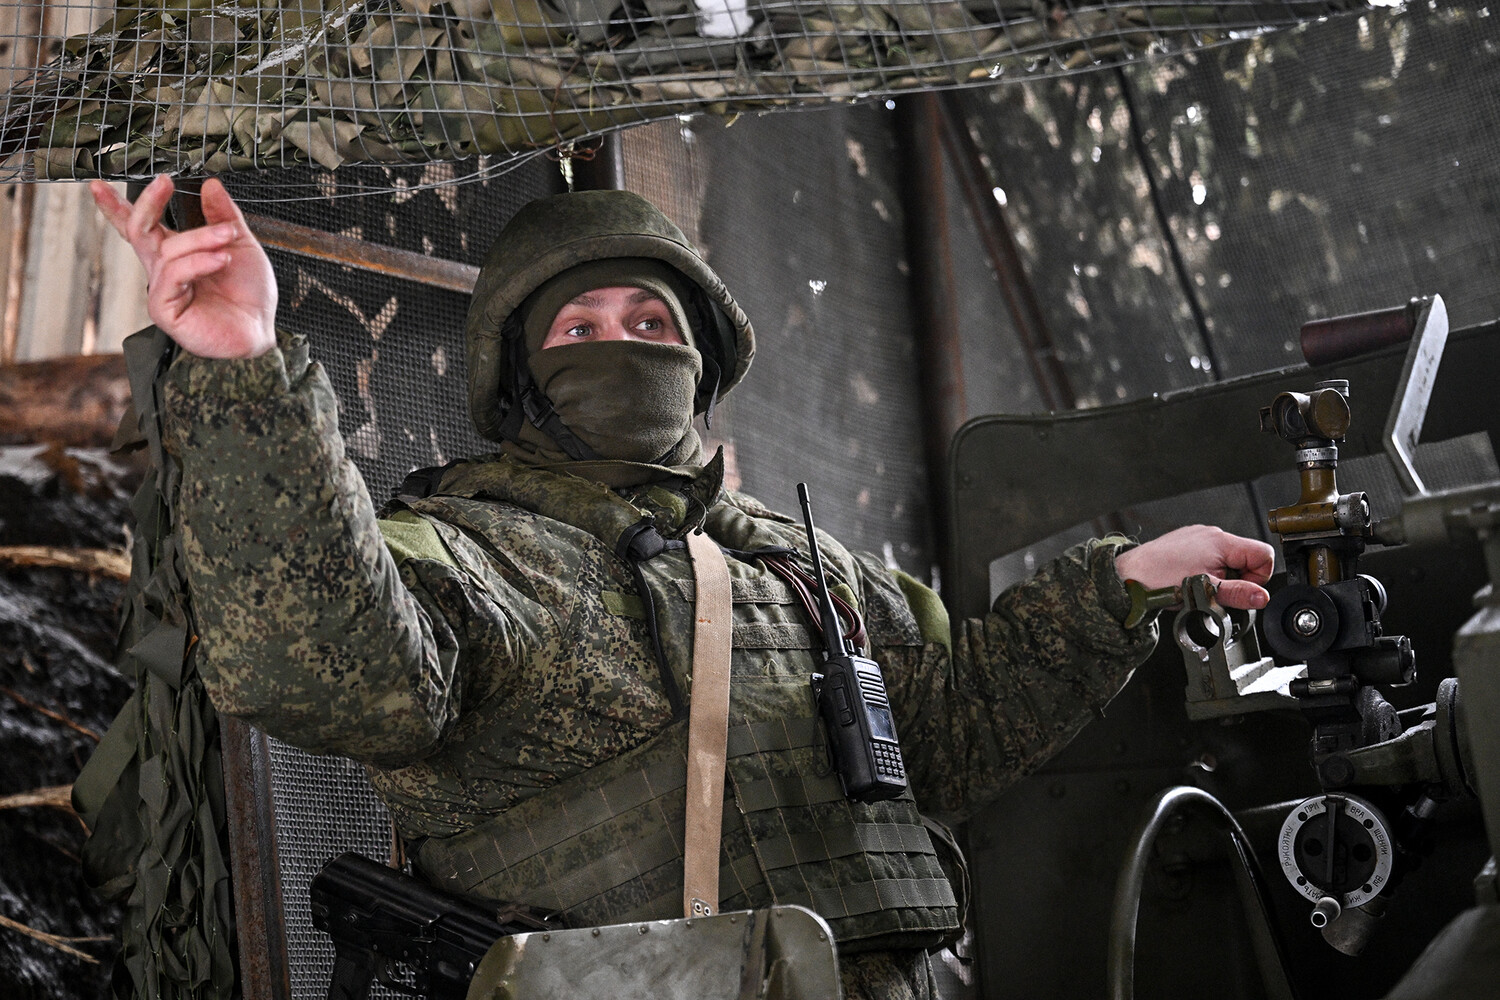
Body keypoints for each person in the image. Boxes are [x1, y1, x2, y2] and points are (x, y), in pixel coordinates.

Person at [91, 175, 1275, 999]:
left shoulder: (801, 563)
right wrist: (246, 370)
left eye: (651, 317)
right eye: (578, 326)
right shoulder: (476, 553)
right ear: (523, 376)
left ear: (701, 354)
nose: (623, 341)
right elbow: (323, 665)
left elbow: (946, 736)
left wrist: (1126, 583)